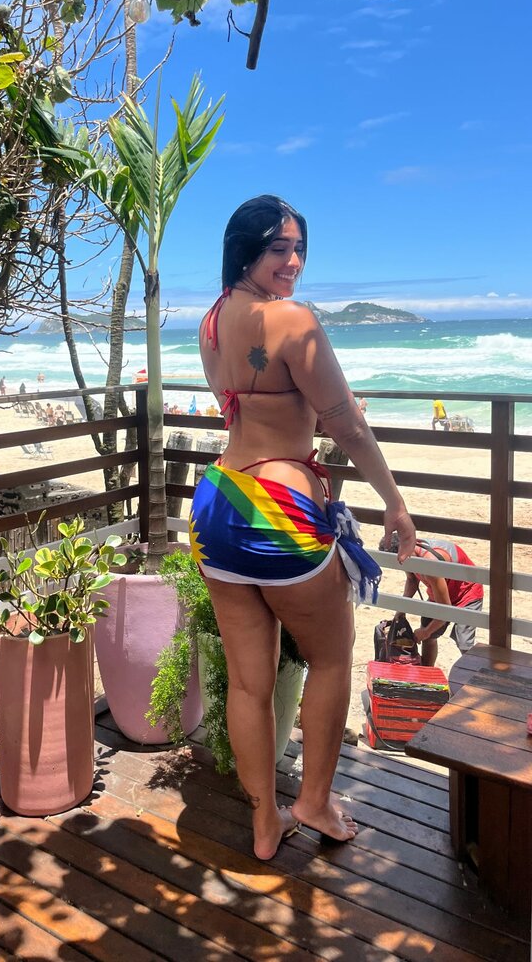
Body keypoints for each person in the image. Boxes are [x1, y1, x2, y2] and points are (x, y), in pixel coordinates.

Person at [189, 195, 415, 861]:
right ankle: (313, 800)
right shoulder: (294, 320)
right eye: (277, 248)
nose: (293, 262)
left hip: (217, 503)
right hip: (279, 511)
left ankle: (266, 823)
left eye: (299, 249)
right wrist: (395, 504)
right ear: (245, 250)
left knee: (248, 681)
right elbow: (348, 426)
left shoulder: (211, 321)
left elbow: (255, 404)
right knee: (331, 658)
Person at [380, 532, 483, 667]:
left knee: (464, 641)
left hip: (467, 593)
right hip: (439, 592)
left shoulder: (430, 564)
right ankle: (427, 671)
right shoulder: (410, 555)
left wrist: (426, 631)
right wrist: (402, 609)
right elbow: (412, 580)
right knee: (429, 637)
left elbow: (445, 610)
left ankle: (475, 674)